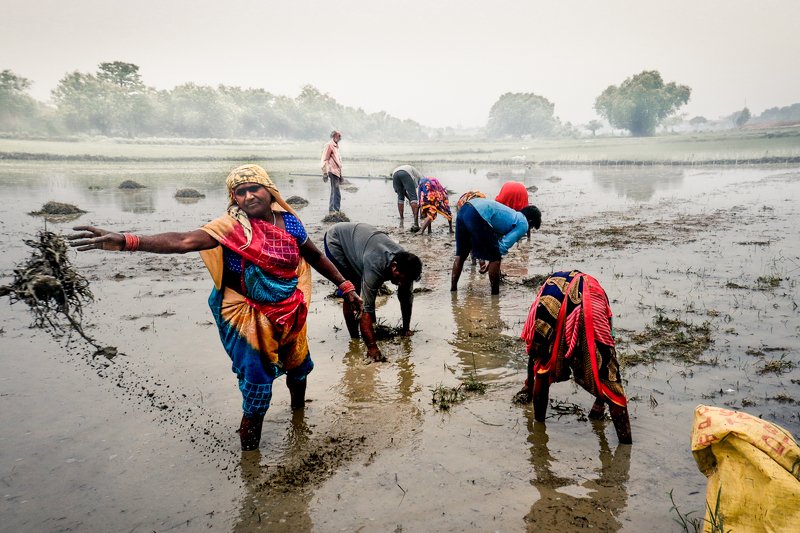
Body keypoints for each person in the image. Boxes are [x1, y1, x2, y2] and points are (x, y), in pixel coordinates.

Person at [68, 164, 363, 452]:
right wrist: (127, 240)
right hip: (248, 317)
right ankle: (251, 466)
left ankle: (298, 419)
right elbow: (183, 241)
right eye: (240, 192)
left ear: (269, 189)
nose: (248, 196)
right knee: (258, 392)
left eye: (254, 188)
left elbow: (314, 255)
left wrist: (346, 286)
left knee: (299, 370)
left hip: (288, 308)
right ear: (233, 197)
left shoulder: (289, 222)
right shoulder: (230, 227)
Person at [515, 270, 632, 444]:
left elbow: (534, 351)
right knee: (609, 375)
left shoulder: (545, 291)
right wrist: (600, 403)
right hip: (591, 305)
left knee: (542, 365)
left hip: (551, 300)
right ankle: (625, 448)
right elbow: (603, 352)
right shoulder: (598, 293)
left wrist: (529, 385)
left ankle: (539, 435)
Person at [323, 222, 422, 362]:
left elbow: (406, 298)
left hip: (364, 241)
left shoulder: (406, 265)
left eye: (405, 281)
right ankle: (355, 338)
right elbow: (365, 309)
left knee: (372, 289)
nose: (400, 284)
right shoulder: (375, 264)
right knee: (351, 291)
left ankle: (369, 330)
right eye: (399, 280)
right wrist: (372, 347)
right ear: (394, 268)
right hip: (337, 240)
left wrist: (406, 329)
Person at [450, 198, 541, 295]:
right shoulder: (523, 223)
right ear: (530, 221)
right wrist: (492, 261)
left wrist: (489, 261)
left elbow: (491, 241)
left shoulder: (512, 215)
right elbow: (502, 246)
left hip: (465, 209)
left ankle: (453, 290)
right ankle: (495, 295)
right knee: (496, 257)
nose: (528, 230)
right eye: (531, 227)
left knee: (461, 254)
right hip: (478, 213)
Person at [390, 164, 424, 231]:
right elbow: (421, 192)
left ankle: (401, 217)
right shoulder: (422, 178)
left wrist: (409, 198)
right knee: (414, 198)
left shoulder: (414, 172)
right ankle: (415, 219)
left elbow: (404, 192)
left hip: (395, 174)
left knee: (400, 197)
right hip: (406, 173)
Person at [321, 130, 343, 213]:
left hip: (337, 171)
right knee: (335, 190)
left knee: (336, 190)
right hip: (331, 170)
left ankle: (335, 208)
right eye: (339, 136)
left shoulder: (336, 146)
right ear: (334, 137)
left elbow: (338, 162)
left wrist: (341, 175)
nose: (340, 138)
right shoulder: (329, 145)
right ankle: (333, 209)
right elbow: (324, 159)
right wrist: (325, 173)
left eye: (340, 137)